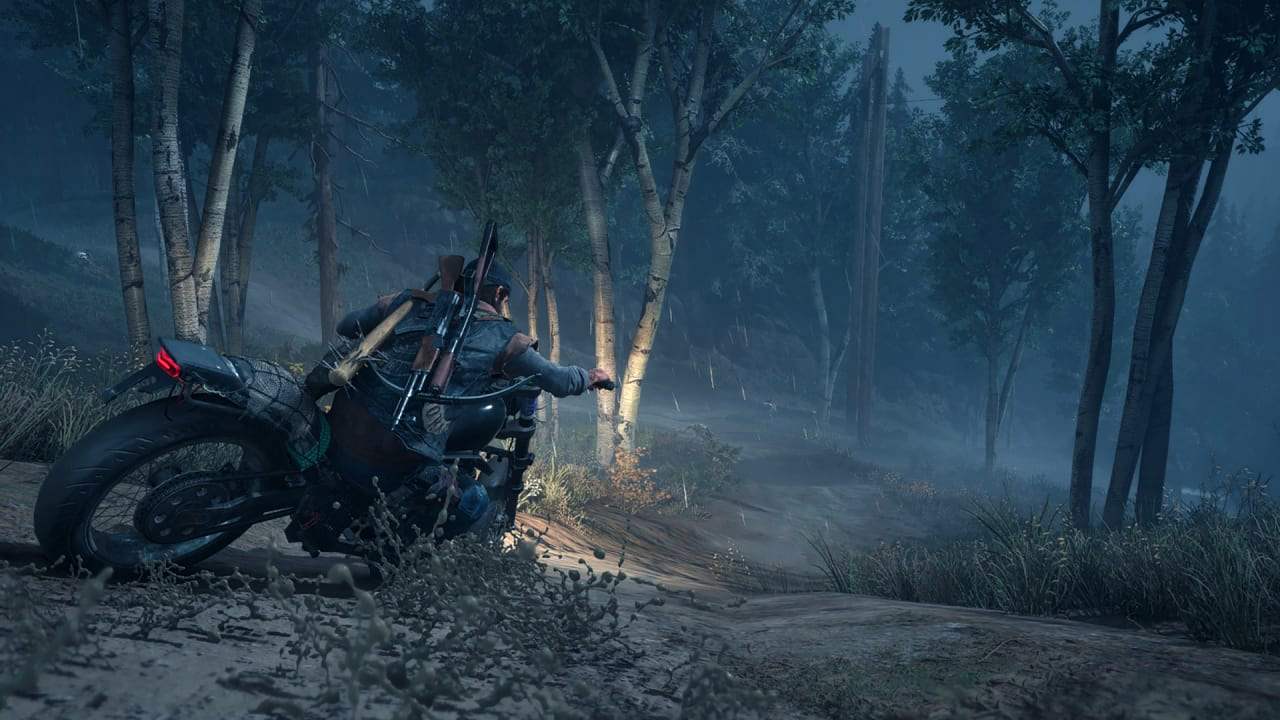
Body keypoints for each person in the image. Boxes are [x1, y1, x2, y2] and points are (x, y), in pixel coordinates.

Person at [294, 260, 610, 550]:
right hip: (387, 468)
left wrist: (395, 315)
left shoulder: (406, 303)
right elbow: (560, 381)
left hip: (335, 441)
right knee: (474, 500)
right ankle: (399, 561)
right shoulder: (506, 338)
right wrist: (591, 377)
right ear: (500, 294)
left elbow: (347, 326)